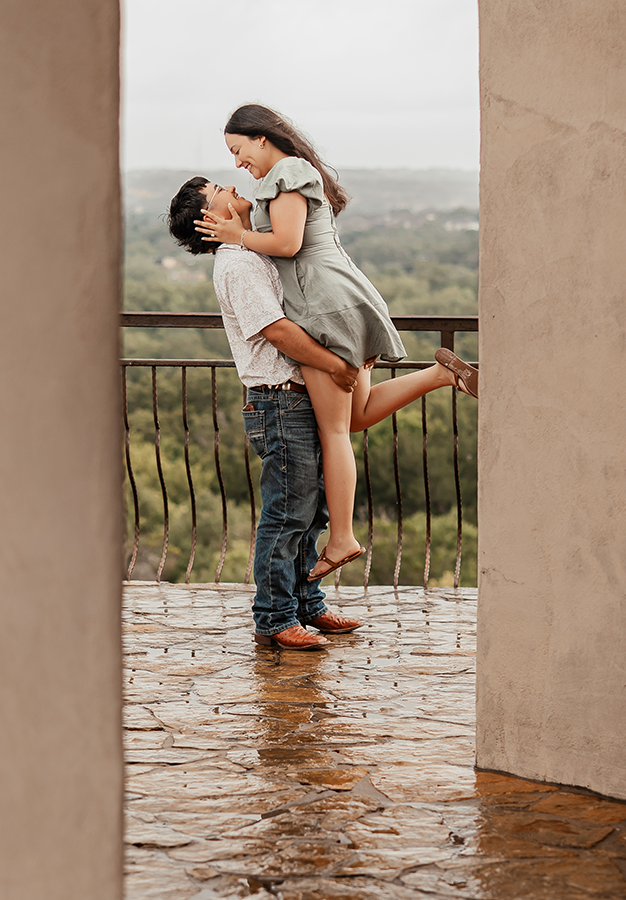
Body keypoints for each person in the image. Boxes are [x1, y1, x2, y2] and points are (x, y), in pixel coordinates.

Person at [169, 176, 474, 647]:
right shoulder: (236, 265)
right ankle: (274, 617)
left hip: (298, 393)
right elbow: (278, 331)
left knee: (311, 513)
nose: (230, 184)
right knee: (288, 513)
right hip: (277, 398)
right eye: (217, 189)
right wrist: (338, 364)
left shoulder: (256, 250)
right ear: (209, 220)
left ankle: (307, 605)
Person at [194, 104, 478, 584]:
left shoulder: (286, 172)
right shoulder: (289, 174)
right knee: (356, 415)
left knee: (333, 433)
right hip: (341, 301)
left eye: (238, 150)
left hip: (324, 309)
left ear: (261, 139)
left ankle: (342, 537)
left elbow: (286, 244)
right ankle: (441, 374)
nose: (237, 164)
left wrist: (236, 234)